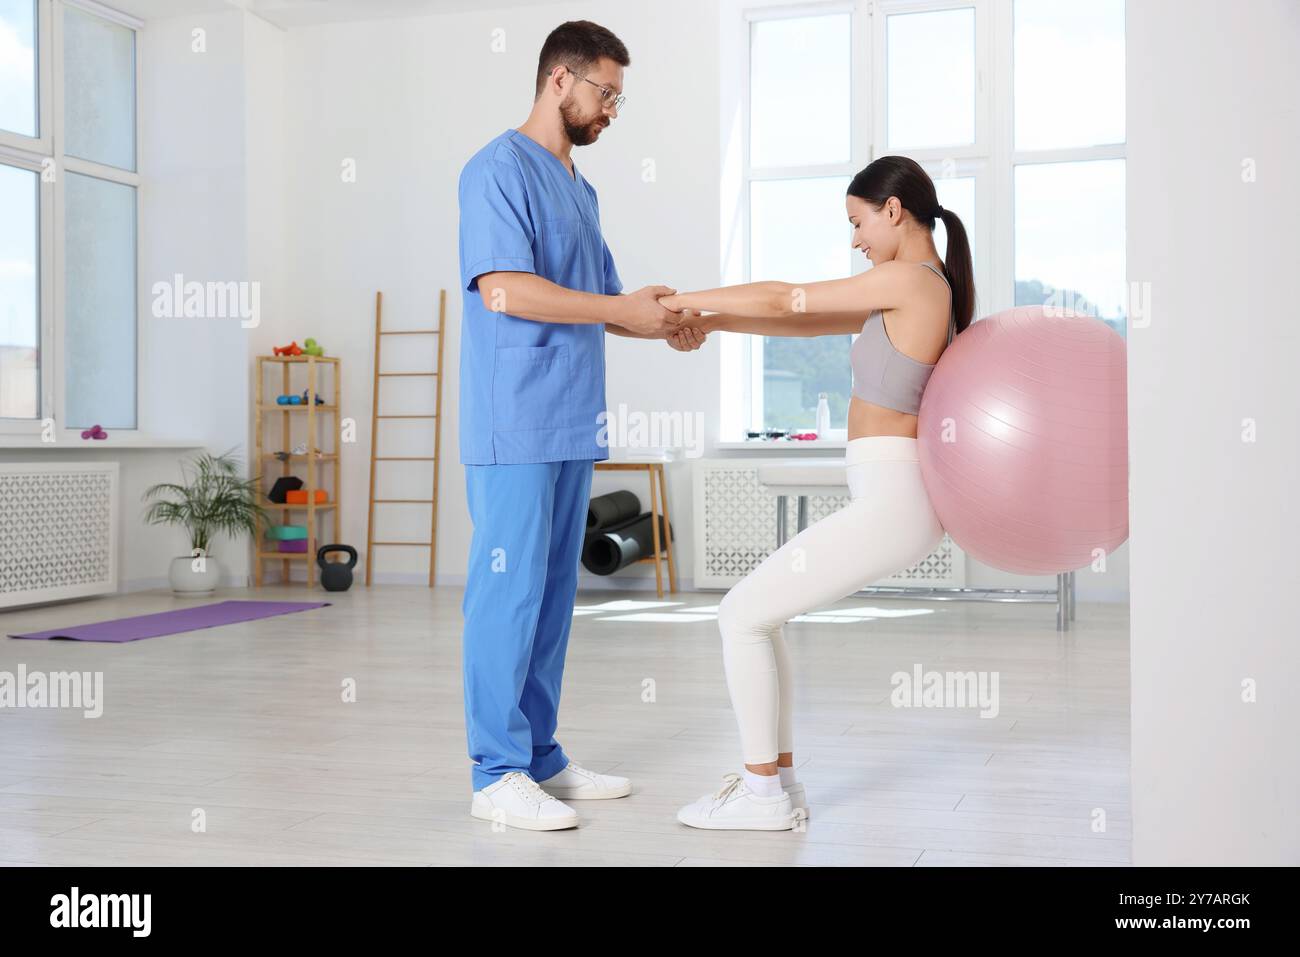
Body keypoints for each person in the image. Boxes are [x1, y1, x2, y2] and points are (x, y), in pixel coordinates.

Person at [657, 155, 976, 830]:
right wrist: (713, 324)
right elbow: (799, 319)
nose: (856, 238)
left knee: (739, 614)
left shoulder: (914, 281)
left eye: (858, 222)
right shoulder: (914, 287)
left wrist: (690, 299)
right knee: (759, 616)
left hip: (894, 502)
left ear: (893, 211)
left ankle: (762, 794)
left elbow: (784, 295)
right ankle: (780, 784)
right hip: (892, 500)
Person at [457, 20, 701, 831]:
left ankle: (540, 755)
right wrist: (621, 310)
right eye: (605, 93)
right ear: (558, 81)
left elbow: (608, 303)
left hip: (570, 419)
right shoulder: (496, 170)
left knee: (555, 596)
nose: (612, 111)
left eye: (619, 98)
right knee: (509, 592)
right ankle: (495, 771)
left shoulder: (580, 188)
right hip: (514, 419)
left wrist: (664, 320)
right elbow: (506, 289)